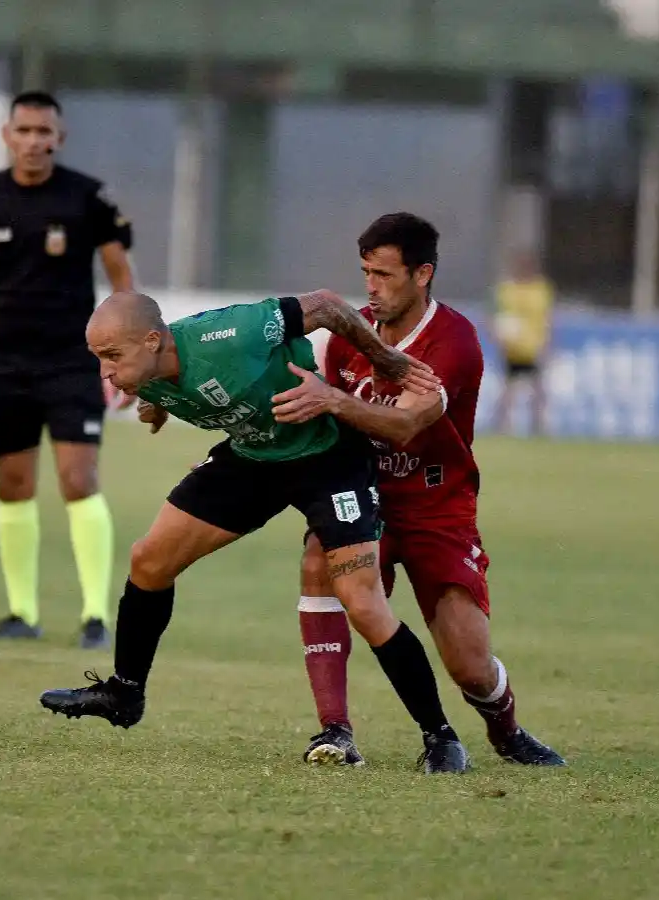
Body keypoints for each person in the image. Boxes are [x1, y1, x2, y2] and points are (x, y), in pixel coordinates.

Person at [39, 289, 474, 774]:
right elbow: (155, 385)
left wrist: (386, 358)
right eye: (98, 358)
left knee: (363, 602)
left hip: (327, 457)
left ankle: (442, 737)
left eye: (112, 356)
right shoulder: (143, 371)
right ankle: (124, 693)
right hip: (253, 459)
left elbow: (327, 305)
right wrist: (156, 404)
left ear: (153, 340)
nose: (105, 371)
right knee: (149, 561)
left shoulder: (229, 334)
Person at [269, 213, 565, 768]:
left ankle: (506, 732)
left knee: (469, 664)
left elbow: (404, 424)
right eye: (365, 273)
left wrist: (332, 400)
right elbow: (321, 419)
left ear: (422, 273)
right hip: (365, 496)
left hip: (436, 504)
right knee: (318, 562)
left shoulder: (454, 341)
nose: (371, 287)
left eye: (384, 274)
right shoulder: (349, 336)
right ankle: (335, 730)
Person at [0, 91, 135, 650]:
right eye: (23, 130)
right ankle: (21, 612)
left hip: (73, 361)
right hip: (7, 362)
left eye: (44, 131)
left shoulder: (88, 198)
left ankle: (96, 615)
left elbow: (122, 275)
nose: (33, 141)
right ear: (7, 135)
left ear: (59, 138)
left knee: (79, 479)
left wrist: (133, 352)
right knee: (13, 483)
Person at [494, 250, 554, 436]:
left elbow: (548, 318)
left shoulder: (541, 289)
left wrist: (548, 343)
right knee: (509, 389)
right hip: (513, 348)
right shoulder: (506, 289)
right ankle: (502, 426)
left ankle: (538, 426)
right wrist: (499, 335)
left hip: (534, 346)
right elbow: (495, 315)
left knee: (538, 390)